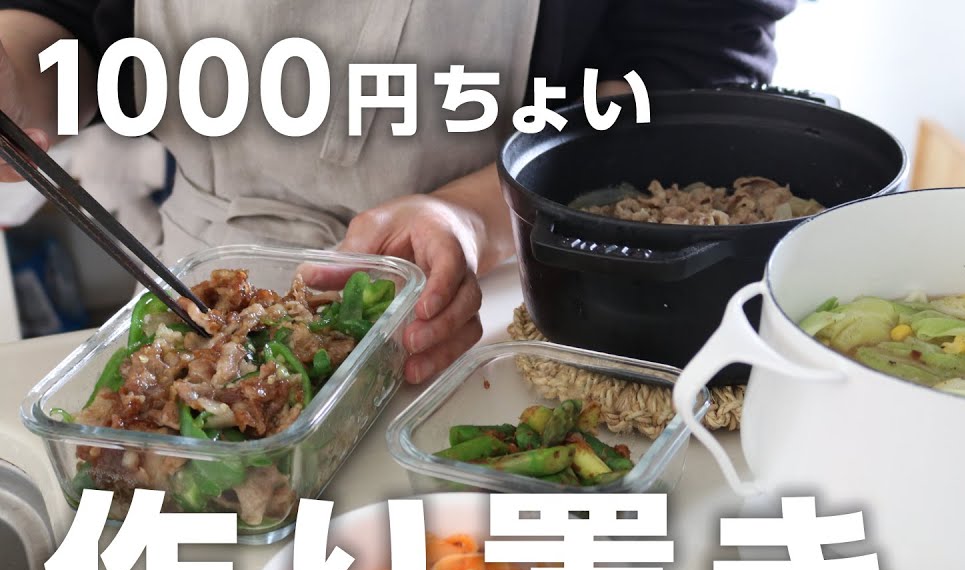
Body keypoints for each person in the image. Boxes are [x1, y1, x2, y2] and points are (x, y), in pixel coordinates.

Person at [0, 0, 795, 383]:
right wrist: (14, 75)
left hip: (487, 301)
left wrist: (471, 216)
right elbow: (67, 27)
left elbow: (689, 75)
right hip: (198, 298)